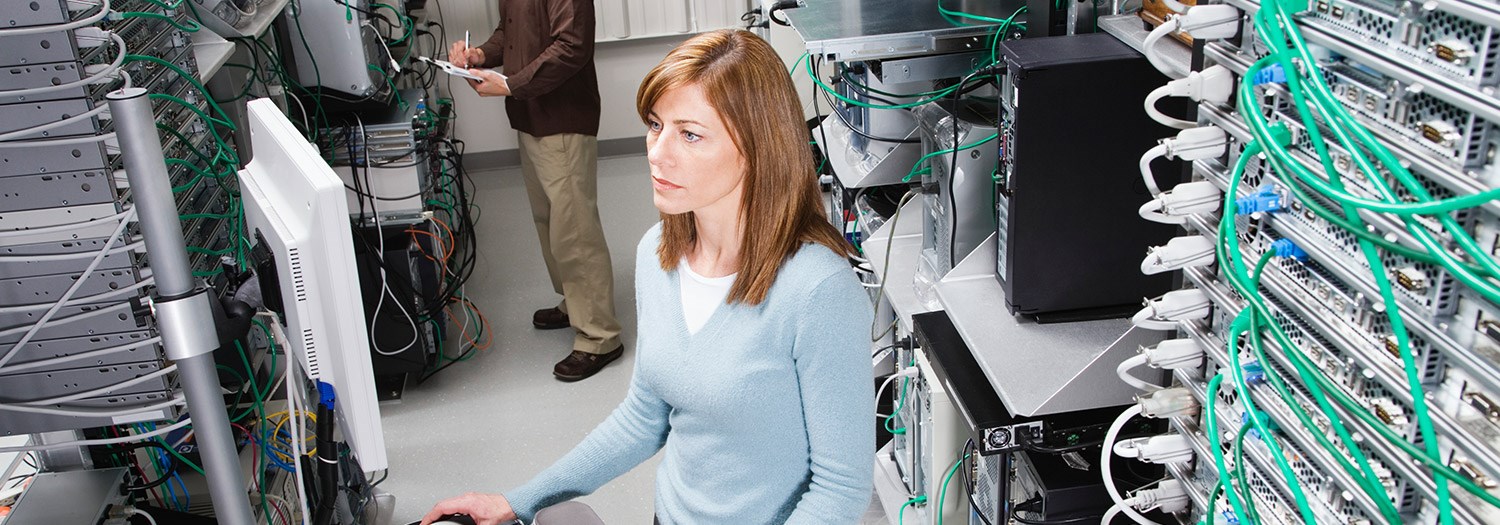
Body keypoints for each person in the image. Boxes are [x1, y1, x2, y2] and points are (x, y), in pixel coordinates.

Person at [421, 30, 875, 524]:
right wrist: (517, 500)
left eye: (690, 134)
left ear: (759, 147)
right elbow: (643, 417)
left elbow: (840, 489)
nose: (657, 153)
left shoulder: (817, 290)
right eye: (656, 125)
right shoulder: (658, 253)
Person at [449, 0, 623, 381]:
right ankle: (575, 304)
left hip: (561, 115)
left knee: (573, 228)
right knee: (550, 220)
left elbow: (572, 47)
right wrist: (481, 53)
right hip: (530, 113)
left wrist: (511, 85)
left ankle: (599, 336)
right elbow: (508, 33)